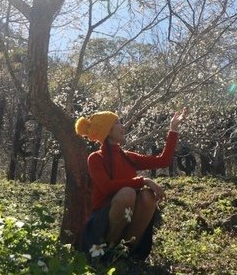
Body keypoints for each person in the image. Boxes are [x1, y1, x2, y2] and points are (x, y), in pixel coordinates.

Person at [76, 108, 187, 260]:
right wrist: (143, 180)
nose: (122, 127)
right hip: (102, 221)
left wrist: (173, 129)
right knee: (127, 192)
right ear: (107, 130)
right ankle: (108, 250)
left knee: (148, 196)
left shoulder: (128, 156)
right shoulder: (95, 158)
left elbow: (163, 161)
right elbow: (107, 187)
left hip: (129, 214)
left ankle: (128, 253)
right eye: (117, 123)